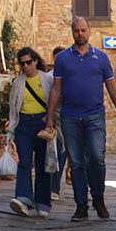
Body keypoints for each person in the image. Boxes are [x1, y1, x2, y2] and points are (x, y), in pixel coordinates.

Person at [45, 16, 116, 222]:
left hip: (94, 116)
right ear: (72, 32)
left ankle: (98, 197)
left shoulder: (100, 57)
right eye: (76, 31)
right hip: (70, 117)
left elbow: (112, 87)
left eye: (83, 30)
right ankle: (81, 205)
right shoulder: (63, 58)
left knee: (96, 158)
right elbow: (56, 89)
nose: (80, 34)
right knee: (76, 162)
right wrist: (49, 118)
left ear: (89, 31)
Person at [4, 47, 54, 217]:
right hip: (23, 124)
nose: (25, 66)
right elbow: (13, 109)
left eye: (28, 62)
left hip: (41, 122)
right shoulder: (18, 82)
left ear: (35, 61)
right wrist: (10, 132)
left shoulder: (47, 79)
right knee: (24, 162)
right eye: (22, 63)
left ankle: (43, 203)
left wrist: (52, 123)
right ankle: (24, 199)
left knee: (42, 164)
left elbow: (55, 102)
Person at [49, 45, 68, 199]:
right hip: (53, 120)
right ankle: (51, 187)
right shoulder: (49, 77)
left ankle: (55, 187)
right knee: (53, 154)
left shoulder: (71, 76)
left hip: (68, 120)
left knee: (63, 154)